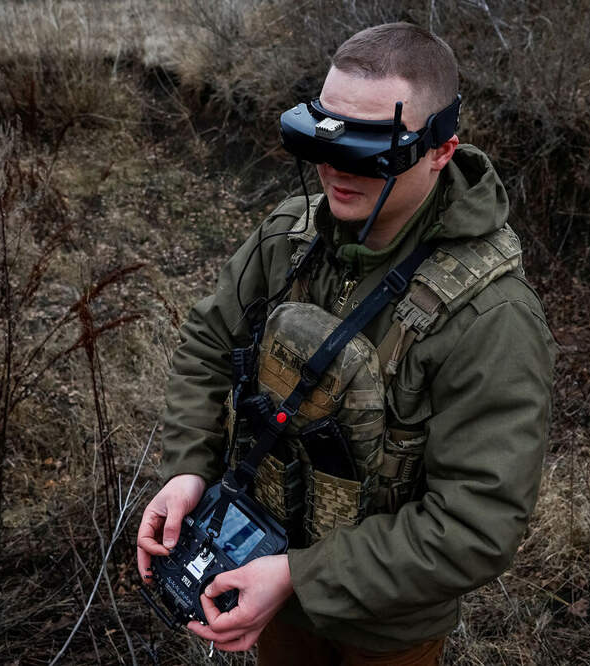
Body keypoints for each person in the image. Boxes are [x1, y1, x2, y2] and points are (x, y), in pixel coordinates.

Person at [137, 22, 555, 665]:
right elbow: (207, 341)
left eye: (369, 149)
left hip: (384, 629)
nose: (334, 167)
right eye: (325, 140)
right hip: (261, 572)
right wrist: (189, 466)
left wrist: (300, 576)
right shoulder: (290, 237)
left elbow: (477, 525)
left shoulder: (492, 318)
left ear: (441, 150)